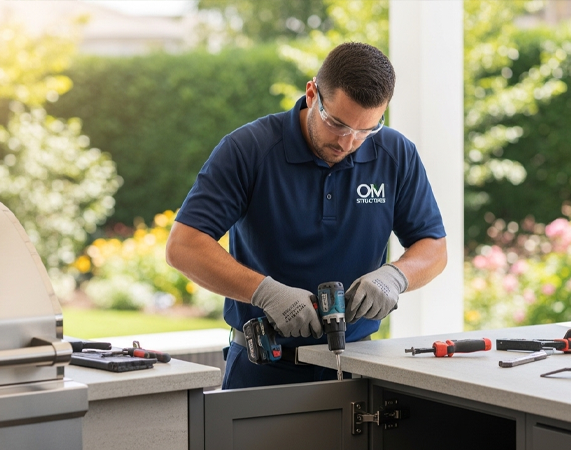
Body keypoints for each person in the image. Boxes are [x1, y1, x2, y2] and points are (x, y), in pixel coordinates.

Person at [165, 42, 447, 389]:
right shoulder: (248, 150)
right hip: (264, 367)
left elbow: (434, 246)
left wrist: (395, 277)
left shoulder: (394, 153)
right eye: (337, 124)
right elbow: (184, 245)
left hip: (359, 365)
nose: (348, 142)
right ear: (312, 93)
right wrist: (266, 293)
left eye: (365, 130)